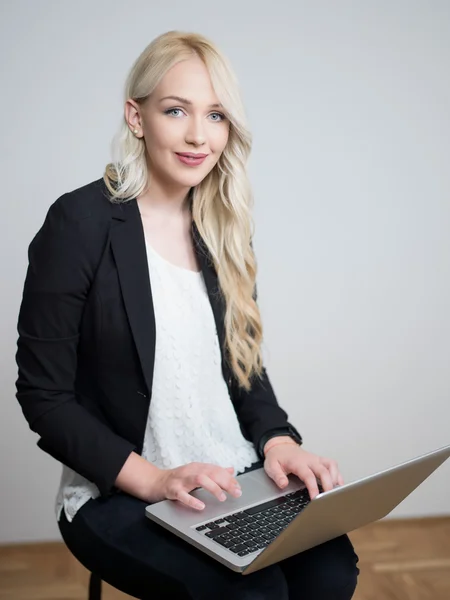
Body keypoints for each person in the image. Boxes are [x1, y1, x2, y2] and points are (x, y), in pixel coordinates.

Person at [15, 30, 360, 600]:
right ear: (137, 115)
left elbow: (243, 368)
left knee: (328, 575)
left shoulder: (222, 227)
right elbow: (43, 397)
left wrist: (279, 442)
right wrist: (157, 480)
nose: (200, 135)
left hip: (235, 479)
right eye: (176, 110)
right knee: (255, 594)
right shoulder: (78, 224)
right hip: (121, 492)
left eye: (217, 115)